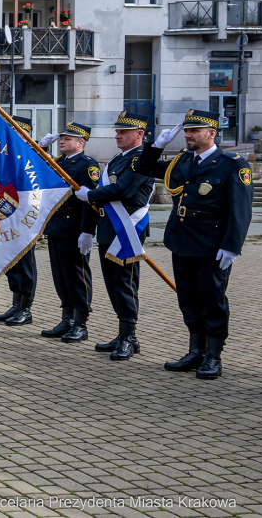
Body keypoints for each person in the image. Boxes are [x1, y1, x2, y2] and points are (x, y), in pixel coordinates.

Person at [134, 110, 253, 380]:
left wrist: (232, 245)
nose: (187, 135)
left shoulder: (233, 164)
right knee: (187, 297)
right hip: (183, 238)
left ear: (211, 133)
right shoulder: (182, 161)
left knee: (212, 299)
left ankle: (213, 356)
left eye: (194, 131)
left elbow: (241, 210)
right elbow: (143, 168)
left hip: (213, 243)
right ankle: (195, 350)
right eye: (186, 131)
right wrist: (157, 146)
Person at [77, 111, 155, 361]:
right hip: (109, 228)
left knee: (125, 284)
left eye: (123, 132)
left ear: (139, 134)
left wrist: (89, 195)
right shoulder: (117, 160)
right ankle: (122, 333)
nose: (117, 135)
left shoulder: (142, 159)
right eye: (117, 131)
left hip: (128, 229)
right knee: (112, 285)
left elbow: (123, 189)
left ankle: (130, 337)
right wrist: (88, 230)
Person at [34, 123, 101, 341]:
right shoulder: (60, 162)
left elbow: (90, 201)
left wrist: (88, 231)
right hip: (57, 224)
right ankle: (67, 319)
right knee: (60, 275)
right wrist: (40, 147)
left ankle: (81, 323)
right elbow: (34, 167)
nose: (62, 141)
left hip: (75, 226)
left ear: (80, 143)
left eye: (68, 139)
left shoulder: (87, 165)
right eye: (62, 138)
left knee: (77, 276)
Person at [0, 117, 42, 326]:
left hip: (26, 218)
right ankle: (16, 304)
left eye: (16, 132)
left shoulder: (33, 157)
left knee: (26, 265)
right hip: (8, 216)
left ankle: (26, 308)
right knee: (12, 262)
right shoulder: (6, 158)